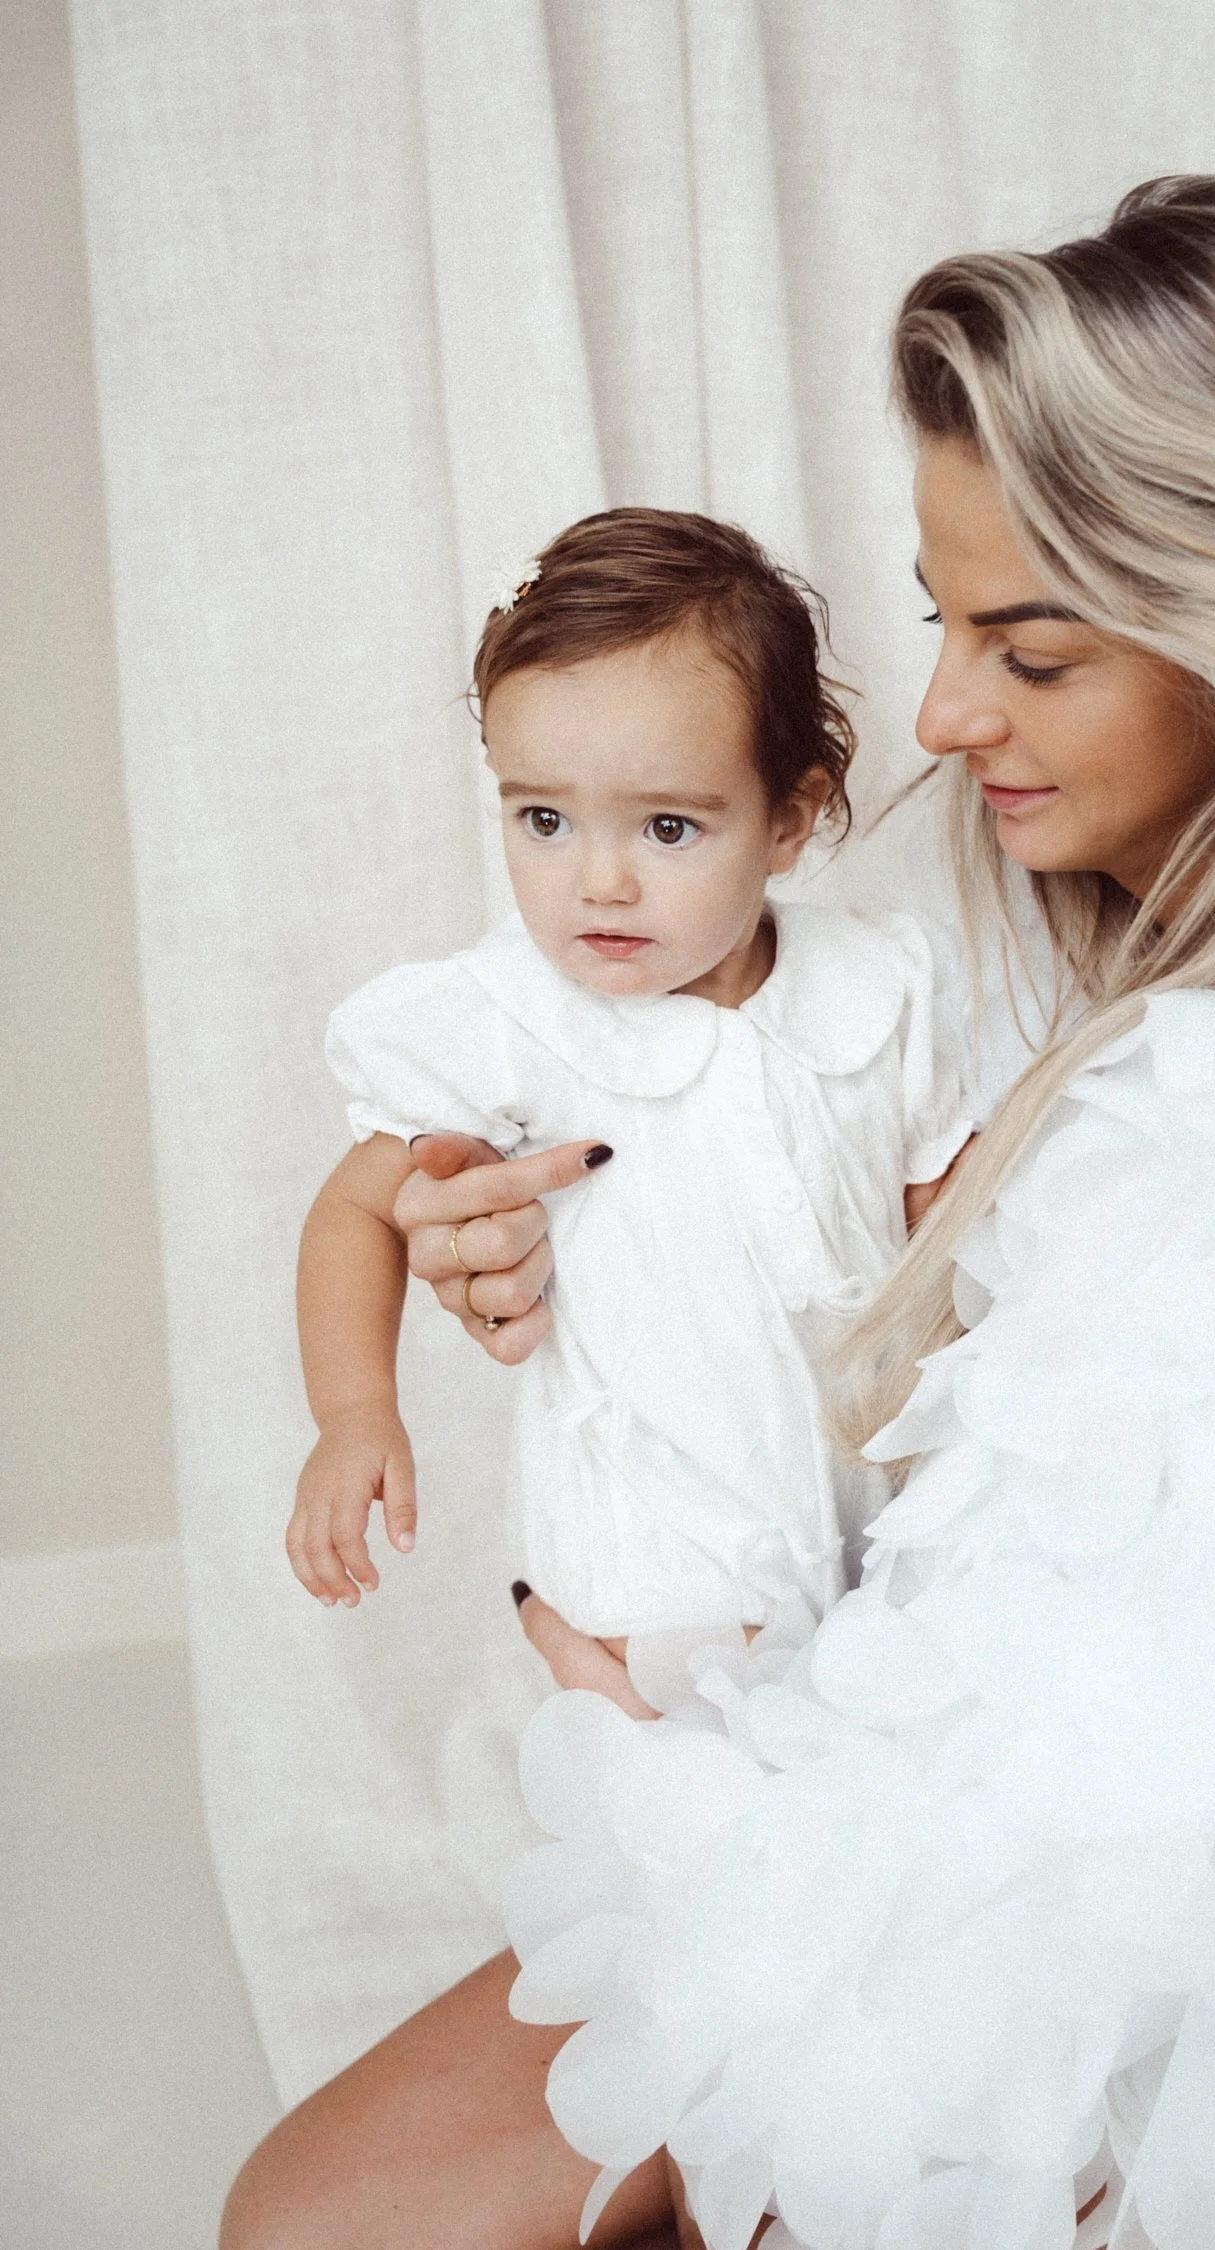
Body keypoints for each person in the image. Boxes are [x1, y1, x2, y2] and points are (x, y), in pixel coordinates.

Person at [222, 174, 1215, 2250]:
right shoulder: (926, 908)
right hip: (878, 1787)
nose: (944, 714)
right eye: (939, 619)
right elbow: (730, 1227)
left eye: (1034, 648)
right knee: (317, 2225)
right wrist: (532, 1248)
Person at [288, 507, 973, 1708]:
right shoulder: (506, 1018)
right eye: (542, 819)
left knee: (871, 1827)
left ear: (791, 819)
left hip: (885, 1534)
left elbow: (951, 1236)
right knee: (687, 1843)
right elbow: (355, 1212)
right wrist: (355, 1416)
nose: (597, 880)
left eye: (667, 827)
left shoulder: (880, 987)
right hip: (649, 1565)